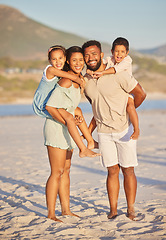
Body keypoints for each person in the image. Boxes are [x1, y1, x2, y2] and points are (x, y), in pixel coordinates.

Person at [82, 40, 146, 220]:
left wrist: (129, 110)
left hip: (124, 130)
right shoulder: (86, 81)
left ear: (102, 55)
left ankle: (131, 209)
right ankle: (113, 209)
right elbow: (97, 108)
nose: (90, 58)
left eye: (94, 54)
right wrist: (88, 130)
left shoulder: (119, 73)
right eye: (86, 55)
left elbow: (141, 94)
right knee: (111, 171)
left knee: (128, 170)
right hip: (104, 133)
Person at [43, 46, 99, 222]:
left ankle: (65, 210)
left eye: (81, 60)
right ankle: (51, 213)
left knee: (66, 170)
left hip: (68, 128)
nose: (78, 63)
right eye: (74, 60)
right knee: (56, 171)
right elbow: (50, 107)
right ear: (68, 61)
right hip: (56, 128)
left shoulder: (77, 80)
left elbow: (69, 106)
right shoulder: (66, 81)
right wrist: (67, 122)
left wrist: (76, 119)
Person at [32, 45, 98, 157]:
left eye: (60, 58)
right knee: (69, 118)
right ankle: (82, 148)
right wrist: (79, 79)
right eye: (54, 59)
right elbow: (71, 76)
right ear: (49, 60)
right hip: (42, 104)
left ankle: (90, 140)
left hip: (50, 102)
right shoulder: (50, 69)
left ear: (64, 58)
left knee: (77, 110)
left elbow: (72, 73)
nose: (58, 61)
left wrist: (82, 78)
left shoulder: (60, 69)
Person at [87, 37, 139, 139]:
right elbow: (99, 63)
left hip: (126, 90)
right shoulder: (110, 59)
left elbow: (116, 69)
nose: (119, 54)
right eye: (116, 51)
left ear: (127, 52)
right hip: (116, 91)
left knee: (130, 106)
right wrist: (89, 71)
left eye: (122, 52)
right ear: (112, 51)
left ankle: (136, 129)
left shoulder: (127, 60)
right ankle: (88, 134)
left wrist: (102, 73)